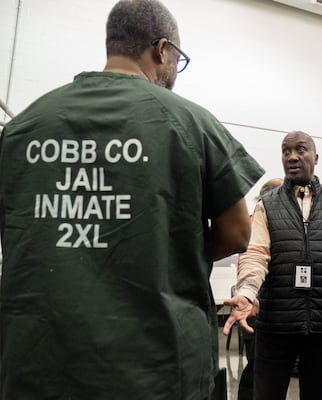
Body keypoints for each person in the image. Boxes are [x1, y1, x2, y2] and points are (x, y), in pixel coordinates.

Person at [0, 1, 264, 399]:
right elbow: (239, 232)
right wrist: (167, 250)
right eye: (179, 58)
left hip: (40, 361)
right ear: (162, 50)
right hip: (155, 364)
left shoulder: (25, 126)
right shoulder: (191, 123)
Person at [223, 131, 322, 400]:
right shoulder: (267, 206)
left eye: (300, 150)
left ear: (315, 157)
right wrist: (247, 292)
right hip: (275, 323)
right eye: (285, 151)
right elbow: (255, 254)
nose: (292, 156)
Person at [236, 177, 283, 400]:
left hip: (260, 304)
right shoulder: (259, 221)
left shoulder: (257, 218)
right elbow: (253, 263)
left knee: (258, 368)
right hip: (256, 304)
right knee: (258, 369)